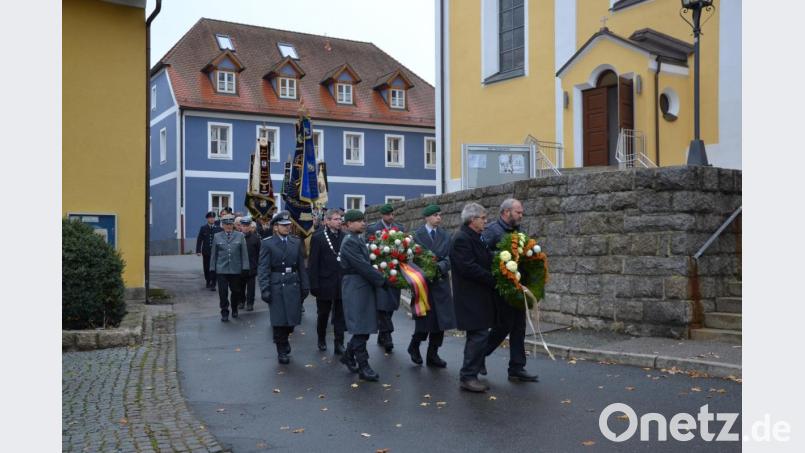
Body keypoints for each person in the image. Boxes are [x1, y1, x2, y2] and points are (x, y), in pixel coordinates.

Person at [481, 198, 539, 383]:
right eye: (518, 212)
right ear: (506, 212)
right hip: (502, 287)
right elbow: (482, 254)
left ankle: (517, 368)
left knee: (519, 326)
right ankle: (479, 356)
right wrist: (502, 258)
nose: (521, 215)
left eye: (521, 212)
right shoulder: (492, 231)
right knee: (503, 325)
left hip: (518, 286)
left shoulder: (519, 231)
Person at [449, 203, 496, 392]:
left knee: (479, 334)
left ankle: (472, 373)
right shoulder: (461, 238)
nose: (486, 221)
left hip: (479, 294)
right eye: (483, 218)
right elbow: (467, 267)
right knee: (478, 335)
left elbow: (485, 257)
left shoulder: (475, 236)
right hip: (470, 295)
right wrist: (491, 278)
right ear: (472, 219)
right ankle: (468, 376)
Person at [339, 209, 387, 381]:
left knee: (363, 328)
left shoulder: (356, 239)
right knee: (361, 329)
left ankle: (347, 356)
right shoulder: (350, 242)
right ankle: (363, 367)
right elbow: (362, 266)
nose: (363, 223)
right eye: (358, 221)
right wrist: (382, 280)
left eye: (362, 220)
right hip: (356, 287)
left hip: (361, 286)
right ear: (349, 224)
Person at [258, 211, 310, 364]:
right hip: (276, 283)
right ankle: (281, 348)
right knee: (279, 319)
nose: (287, 228)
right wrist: (265, 288)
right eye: (284, 225)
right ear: (275, 227)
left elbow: (301, 265)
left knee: (292, 320)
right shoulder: (267, 243)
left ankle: (285, 337)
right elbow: (263, 268)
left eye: (288, 225)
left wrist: (305, 285)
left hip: (293, 282)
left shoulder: (296, 241)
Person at [408, 204, 456, 368]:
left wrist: (440, 267)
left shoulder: (445, 235)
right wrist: (424, 270)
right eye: (435, 215)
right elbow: (412, 258)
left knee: (441, 321)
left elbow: (451, 257)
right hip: (424, 284)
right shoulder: (417, 235)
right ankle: (414, 346)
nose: (439, 218)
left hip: (441, 282)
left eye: (440, 215)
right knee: (424, 321)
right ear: (427, 217)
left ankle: (433, 354)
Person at [307, 209, 346, 354]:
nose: (339, 221)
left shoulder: (345, 236)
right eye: (336, 219)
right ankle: (321, 339)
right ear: (328, 221)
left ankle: (339, 343)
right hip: (324, 283)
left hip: (341, 282)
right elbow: (313, 264)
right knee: (323, 314)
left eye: (340, 219)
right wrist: (314, 285)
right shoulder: (318, 237)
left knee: (340, 315)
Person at [367, 203, 405, 353]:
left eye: (392, 214)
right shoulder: (372, 228)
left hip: (395, 270)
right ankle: (388, 335)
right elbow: (369, 247)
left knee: (392, 304)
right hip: (380, 270)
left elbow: (403, 247)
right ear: (382, 215)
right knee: (382, 304)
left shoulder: (399, 228)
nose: (391, 217)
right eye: (388, 214)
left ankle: (382, 334)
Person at [210, 214, 250, 322]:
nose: (228, 226)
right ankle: (224, 311)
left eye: (230, 224)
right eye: (226, 224)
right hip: (221, 269)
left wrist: (245, 267)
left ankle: (234, 308)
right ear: (222, 225)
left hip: (235, 269)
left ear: (233, 225)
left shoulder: (240, 236)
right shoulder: (217, 236)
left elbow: (244, 253)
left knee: (236, 291)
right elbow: (214, 254)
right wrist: (212, 269)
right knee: (223, 293)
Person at [196, 211, 222, 291]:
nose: (212, 219)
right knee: (206, 267)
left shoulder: (218, 228)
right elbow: (199, 240)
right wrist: (198, 250)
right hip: (206, 251)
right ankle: (208, 280)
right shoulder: (203, 228)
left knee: (214, 267)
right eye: (210, 218)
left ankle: (213, 283)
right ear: (207, 219)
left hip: (215, 252)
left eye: (213, 218)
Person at [242, 217, 261, 312]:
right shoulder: (237, 237)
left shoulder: (255, 238)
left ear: (250, 226)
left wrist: (257, 265)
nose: (245, 228)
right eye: (243, 226)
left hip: (251, 266)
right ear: (241, 226)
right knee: (240, 286)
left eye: (247, 226)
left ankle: (250, 303)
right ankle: (241, 301)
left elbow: (259, 253)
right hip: (240, 267)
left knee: (251, 287)